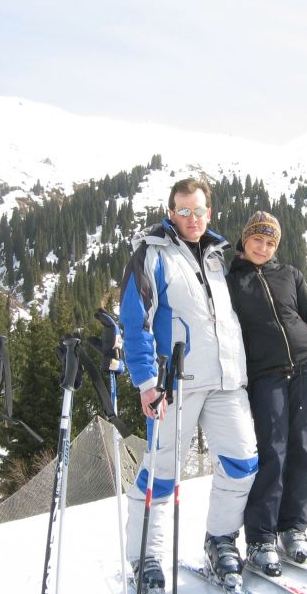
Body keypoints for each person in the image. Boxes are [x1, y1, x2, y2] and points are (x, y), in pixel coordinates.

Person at [119, 178, 259, 592]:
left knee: (242, 463)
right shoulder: (152, 254)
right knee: (161, 474)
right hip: (175, 386)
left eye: (199, 211)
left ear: (209, 213)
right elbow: (135, 320)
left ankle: (220, 541)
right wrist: (147, 382)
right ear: (171, 213)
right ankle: (145, 558)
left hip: (227, 382)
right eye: (184, 211)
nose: (193, 219)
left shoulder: (216, 255)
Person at [226, 211, 307, 577]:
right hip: (265, 374)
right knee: (272, 451)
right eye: (257, 240)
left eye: (270, 242)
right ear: (245, 239)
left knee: (303, 449)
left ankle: (293, 527)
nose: (263, 248)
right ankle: (261, 536)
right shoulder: (231, 283)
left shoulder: (290, 274)